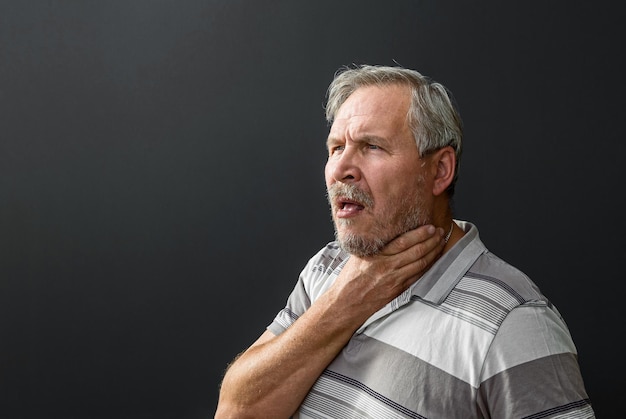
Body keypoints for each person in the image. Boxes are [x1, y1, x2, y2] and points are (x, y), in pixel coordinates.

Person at [214, 64, 594, 418]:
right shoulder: (329, 266)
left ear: (440, 170)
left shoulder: (513, 322)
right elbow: (235, 410)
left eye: (371, 146)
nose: (342, 169)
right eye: (336, 148)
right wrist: (345, 301)